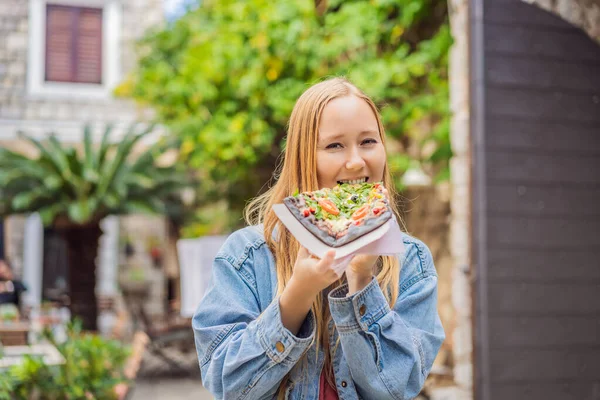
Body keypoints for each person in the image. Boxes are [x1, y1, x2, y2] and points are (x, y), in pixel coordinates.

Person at [193, 77, 445, 399]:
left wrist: (362, 282)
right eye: (334, 146)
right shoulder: (246, 256)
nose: (356, 161)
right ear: (302, 159)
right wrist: (298, 293)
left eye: (368, 141)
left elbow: (395, 390)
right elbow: (228, 387)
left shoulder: (411, 262)